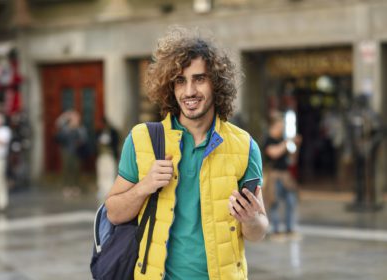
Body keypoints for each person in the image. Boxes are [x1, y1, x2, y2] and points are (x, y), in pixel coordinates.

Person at [105, 27, 268, 280]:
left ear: (216, 83)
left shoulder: (245, 146)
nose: (189, 91)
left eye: (199, 79)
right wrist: (145, 186)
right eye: (180, 81)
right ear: (170, 86)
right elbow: (113, 213)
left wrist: (250, 219)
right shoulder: (142, 139)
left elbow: (259, 231)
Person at [263, 112, 301, 238]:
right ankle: (276, 230)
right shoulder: (268, 140)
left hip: (285, 175)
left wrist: (295, 146)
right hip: (274, 176)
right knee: (274, 202)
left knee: (291, 200)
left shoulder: (281, 140)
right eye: (280, 126)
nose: (282, 128)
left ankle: (290, 228)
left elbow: (291, 160)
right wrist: (285, 144)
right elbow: (273, 153)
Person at [55, 110, 87, 195]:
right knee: (67, 169)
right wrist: (66, 115)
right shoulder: (65, 128)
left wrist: (79, 142)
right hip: (66, 151)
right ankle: (67, 186)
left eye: (76, 118)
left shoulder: (80, 129)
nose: (75, 120)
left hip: (76, 152)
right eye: (73, 118)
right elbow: (58, 123)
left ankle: (76, 186)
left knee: (76, 169)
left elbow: (84, 139)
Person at [96, 116, 120, 203]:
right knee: (101, 173)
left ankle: (109, 190)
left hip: (110, 156)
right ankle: (102, 190)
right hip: (101, 156)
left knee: (110, 173)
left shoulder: (113, 132)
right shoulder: (99, 132)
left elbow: (116, 143)